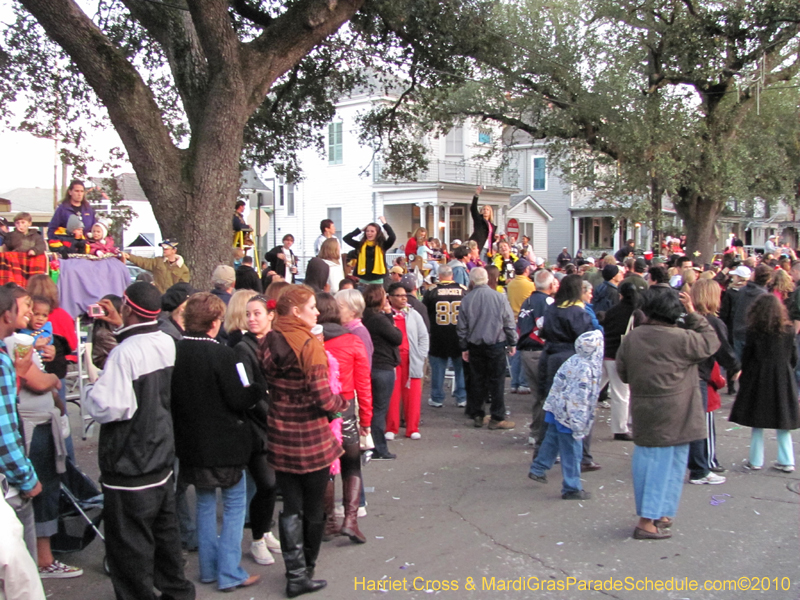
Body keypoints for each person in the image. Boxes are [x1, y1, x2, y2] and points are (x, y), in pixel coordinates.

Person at [85, 282, 196, 600]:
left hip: (130, 464)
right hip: (160, 456)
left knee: (129, 553)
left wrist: (94, 387)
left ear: (128, 308)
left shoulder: (124, 355)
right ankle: (178, 593)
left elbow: (111, 406)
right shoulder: (164, 340)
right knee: (165, 541)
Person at [259, 286, 348, 597]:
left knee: (291, 508)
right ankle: (303, 572)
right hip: (311, 436)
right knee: (313, 509)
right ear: (295, 312)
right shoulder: (308, 344)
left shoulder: (271, 337)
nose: (317, 311)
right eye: (311, 306)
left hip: (281, 433)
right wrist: (341, 403)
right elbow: (323, 397)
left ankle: (294, 572)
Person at [171, 292, 262, 592]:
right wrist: (257, 389)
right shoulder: (223, 354)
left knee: (206, 503)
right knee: (235, 504)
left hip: (191, 443)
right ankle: (229, 571)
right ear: (214, 322)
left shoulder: (177, 351)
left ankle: (209, 568)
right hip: (225, 444)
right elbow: (240, 398)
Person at [617, 289, 720, 539]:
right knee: (668, 465)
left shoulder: (633, 338)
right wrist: (693, 313)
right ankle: (648, 520)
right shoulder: (683, 338)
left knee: (656, 463)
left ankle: (659, 513)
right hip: (680, 410)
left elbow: (624, 373)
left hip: (646, 409)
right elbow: (711, 341)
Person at [315, 293, 372, 543]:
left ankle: (329, 521)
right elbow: (364, 385)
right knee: (351, 465)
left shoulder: (311, 342)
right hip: (346, 409)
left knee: (326, 468)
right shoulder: (352, 341)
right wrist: (366, 421)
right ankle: (351, 519)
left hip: (320, 411)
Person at [233, 294, 281, 565]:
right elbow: (247, 388)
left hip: (279, 422)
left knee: (274, 486)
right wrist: (271, 414)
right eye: (248, 314)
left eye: (257, 313)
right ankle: (257, 540)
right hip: (257, 427)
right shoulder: (242, 348)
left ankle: (266, 530)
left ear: (270, 315)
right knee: (266, 482)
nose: (252, 318)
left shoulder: (276, 342)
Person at [528, 330, 604, 500]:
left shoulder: (573, 360)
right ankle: (572, 487)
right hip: (571, 415)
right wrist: (578, 424)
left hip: (557, 409)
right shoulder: (587, 368)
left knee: (551, 440)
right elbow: (580, 398)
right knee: (571, 452)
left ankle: (538, 468)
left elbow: (558, 383)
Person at [729, 294, 799, 472]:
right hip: (783, 376)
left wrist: (744, 376)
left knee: (757, 419)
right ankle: (787, 460)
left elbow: (748, 357)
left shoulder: (754, 331)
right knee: (783, 419)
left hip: (759, 376)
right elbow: (794, 357)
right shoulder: (789, 331)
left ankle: (755, 460)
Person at [537, 274, 599, 469]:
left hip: (550, 357)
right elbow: (587, 339)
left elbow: (544, 331)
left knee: (550, 406)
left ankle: (541, 453)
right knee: (579, 409)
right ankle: (583, 456)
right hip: (572, 360)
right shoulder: (579, 313)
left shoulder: (553, 308)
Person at [457, 267, 518, 430]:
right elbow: (508, 322)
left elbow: (462, 327)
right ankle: (497, 416)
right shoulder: (499, 297)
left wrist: (464, 346)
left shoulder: (467, 299)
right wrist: (512, 342)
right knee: (497, 381)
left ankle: (478, 414)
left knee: (477, 381)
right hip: (496, 343)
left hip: (475, 344)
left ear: (471, 281)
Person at [690, 279, 739, 477]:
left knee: (689, 421)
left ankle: (697, 463)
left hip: (684, 373)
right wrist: (735, 367)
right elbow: (722, 350)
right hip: (701, 374)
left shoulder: (686, 319)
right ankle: (702, 465)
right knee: (701, 422)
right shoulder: (712, 322)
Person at [597, 281, 644, 441]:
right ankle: (620, 428)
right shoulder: (637, 313)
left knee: (594, 387)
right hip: (621, 355)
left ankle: (574, 410)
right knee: (621, 393)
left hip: (605, 352)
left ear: (621, 294)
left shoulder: (613, 311)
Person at [518, 268, 558, 447]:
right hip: (540, 351)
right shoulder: (548, 302)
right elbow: (545, 327)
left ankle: (535, 431)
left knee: (537, 395)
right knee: (545, 395)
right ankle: (542, 434)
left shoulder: (528, 301)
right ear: (550, 285)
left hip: (526, 351)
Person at [361, 285, 402, 460]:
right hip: (382, 366)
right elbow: (397, 337)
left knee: (372, 408)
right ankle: (379, 448)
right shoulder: (378, 319)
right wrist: (388, 315)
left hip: (372, 365)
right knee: (379, 409)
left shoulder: (365, 317)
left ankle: (370, 444)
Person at [385, 282, 429, 440]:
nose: (403, 299)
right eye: (399, 296)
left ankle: (412, 428)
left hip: (412, 359)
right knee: (392, 394)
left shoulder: (413, 314)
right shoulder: (386, 316)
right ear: (390, 298)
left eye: (405, 295)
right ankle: (391, 427)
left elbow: (424, 336)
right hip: (393, 360)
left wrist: (421, 355)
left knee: (413, 395)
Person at [423, 266, 467, 408]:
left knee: (438, 368)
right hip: (459, 335)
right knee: (461, 368)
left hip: (438, 335)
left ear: (439, 276)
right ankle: (461, 397)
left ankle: (437, 397)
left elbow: (425, 313)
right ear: (452, 275)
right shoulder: (463, 290)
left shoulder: (431, 290)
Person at [731, 264, 771, 359]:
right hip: (753, 334)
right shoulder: (764, 296)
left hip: (738, 331)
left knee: (738, 365)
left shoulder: (741, 291)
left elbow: (734, 310)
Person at [123, 239, 191, 294]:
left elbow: (183, 288)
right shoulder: (158, 261)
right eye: (163, 249)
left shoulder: (183, 269)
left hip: (171, 300)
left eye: (166, 249)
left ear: (174, 250)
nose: (164, 251)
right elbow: (144, 262)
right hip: (157, 296)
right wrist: (129, 257)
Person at [343, 217, 396, 285]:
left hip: (377, 281)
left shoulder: (382, 245)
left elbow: (392, 237)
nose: (369, 233)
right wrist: (360, 230)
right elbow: (346, 238)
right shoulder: (361, 245)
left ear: (377, 233)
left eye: (372, 231)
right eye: (367, 231)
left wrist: (384, 223)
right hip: (363, 281)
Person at [467, 186, 495, 263]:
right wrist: (476, 195)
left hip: (488, 249)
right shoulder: (479, 219)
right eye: (484, 209)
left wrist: (496, 238)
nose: (485, 211)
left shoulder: (491, 225)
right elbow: (473, 208)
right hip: (480, 246)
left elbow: (490, 238)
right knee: (480, 265)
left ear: (490, 212)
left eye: (487, 210)